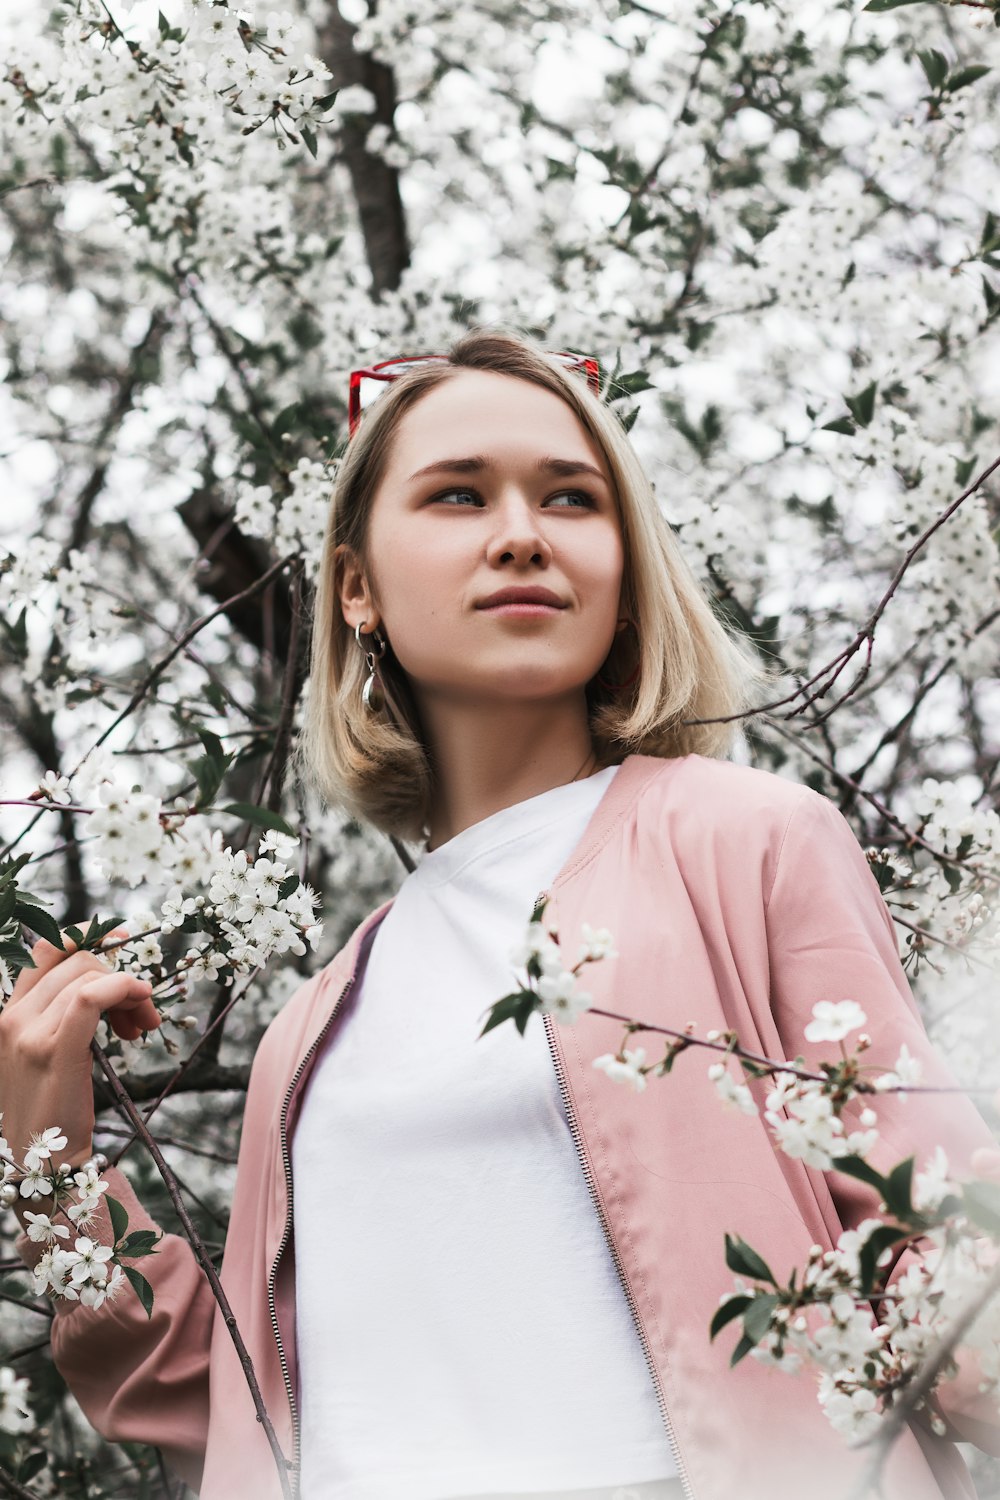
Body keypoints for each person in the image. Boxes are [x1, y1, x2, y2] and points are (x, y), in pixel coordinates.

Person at [3, 328, 999, 1500]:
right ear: (356, 587)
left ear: (622, 569)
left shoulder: (744, 844)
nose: (521, 532)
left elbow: (944, 1265)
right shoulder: (315, 1027)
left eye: (571, 498)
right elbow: (212, 1408)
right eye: (458, 493)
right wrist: (49, 1162)